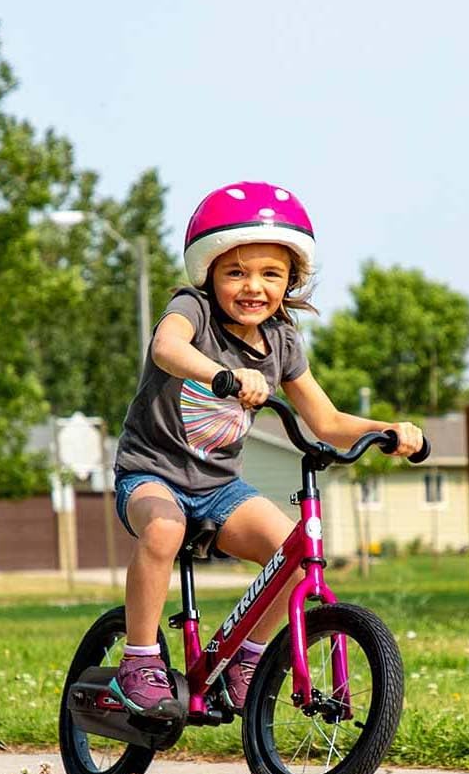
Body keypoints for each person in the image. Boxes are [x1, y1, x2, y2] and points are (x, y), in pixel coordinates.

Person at [110, 181, 423, 719]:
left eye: (270, 274)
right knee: (163, 529)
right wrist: (223, 374)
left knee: (296, 558)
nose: (253, 286)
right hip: (151, 474)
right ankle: (138, 661)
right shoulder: (193, 310)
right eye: (236, 272)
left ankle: (246, 660)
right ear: (209, 273)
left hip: (218, 488)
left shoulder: (281, 342)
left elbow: (325, 420)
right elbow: (166, 347)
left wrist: (391, 430)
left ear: (290, 280)